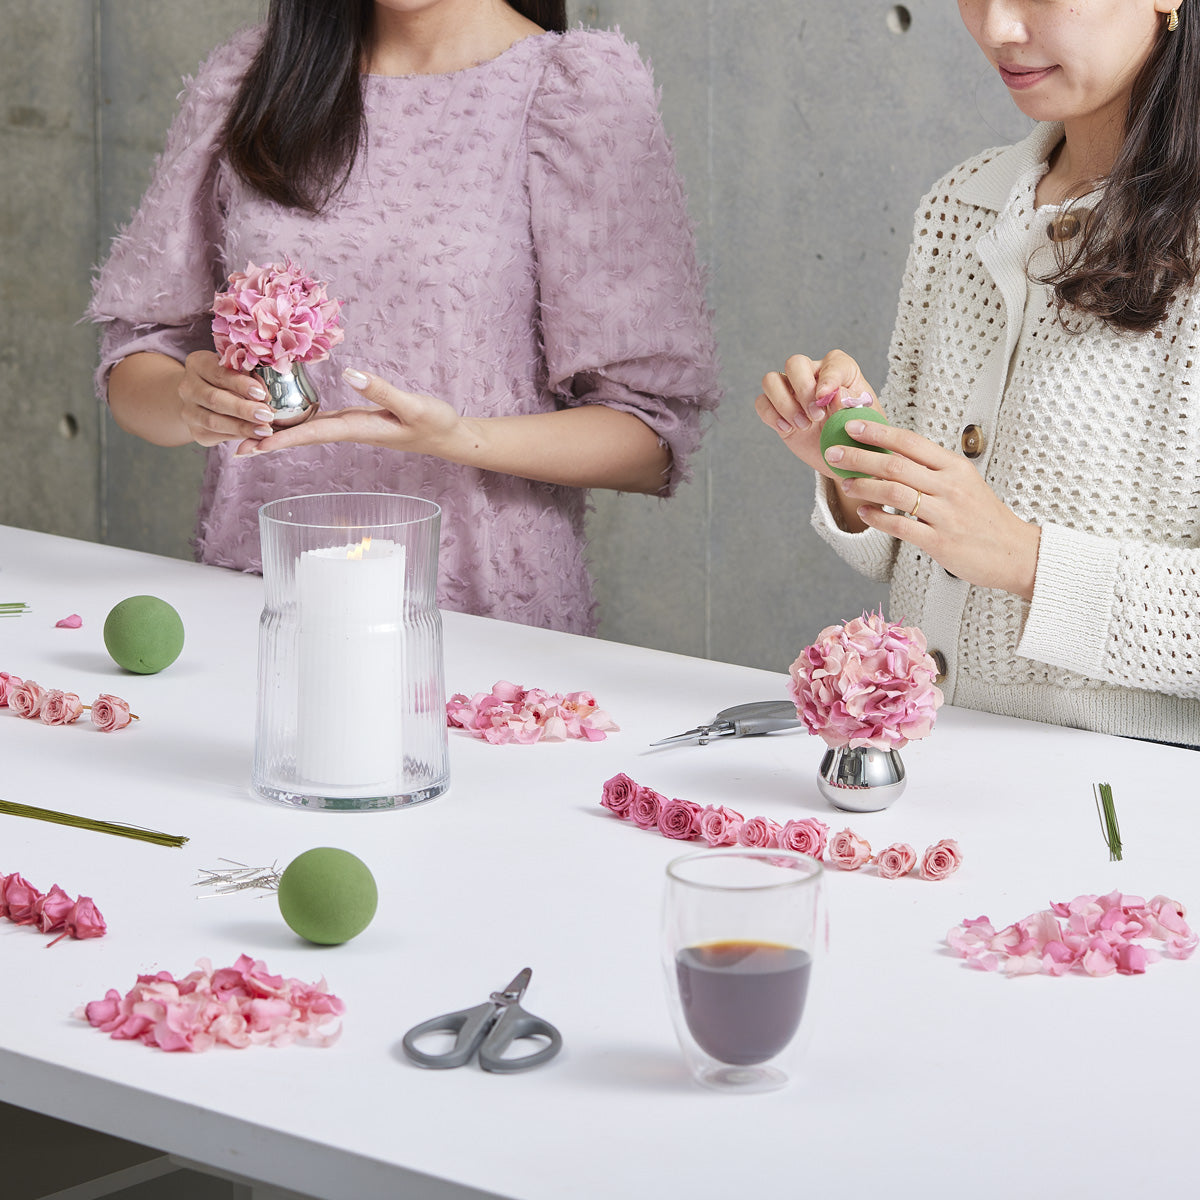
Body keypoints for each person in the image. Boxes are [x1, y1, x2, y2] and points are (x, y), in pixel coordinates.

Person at [89, 0, 719, 636]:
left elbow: (649, 439)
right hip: (264, 600)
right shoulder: (253, 76)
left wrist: (457, 437)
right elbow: (136, 360)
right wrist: (189, 401)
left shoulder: (575, 92)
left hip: (482, 620)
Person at [757, 0, 1199, 746]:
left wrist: (1025, 559)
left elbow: (992, 543)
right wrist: (855, 457)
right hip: (931, 754)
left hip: (1129, 786)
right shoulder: (960, 207)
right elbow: (910, 550)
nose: (997, 29)